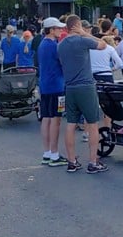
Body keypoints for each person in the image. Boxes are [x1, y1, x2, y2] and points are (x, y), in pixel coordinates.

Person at [58, 14, 108, 174]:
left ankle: (71, 161)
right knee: (93, 123)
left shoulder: (61, 44)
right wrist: (85, 33)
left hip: (70, 87)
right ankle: (93, 162)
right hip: (85, 86)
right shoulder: (82, 40)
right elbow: (103, 45)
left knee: (71, 124)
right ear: (77, 25)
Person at [37, 17, 68, 166]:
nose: (61, 30)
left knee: (46, 118)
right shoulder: (54, 46)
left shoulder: (43, 44)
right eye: (58, 28)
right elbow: (63, 62)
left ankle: (47, 152)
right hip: (57, 86)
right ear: (51, 30)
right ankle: (55, 154)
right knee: (56, 118)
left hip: (45, 85)